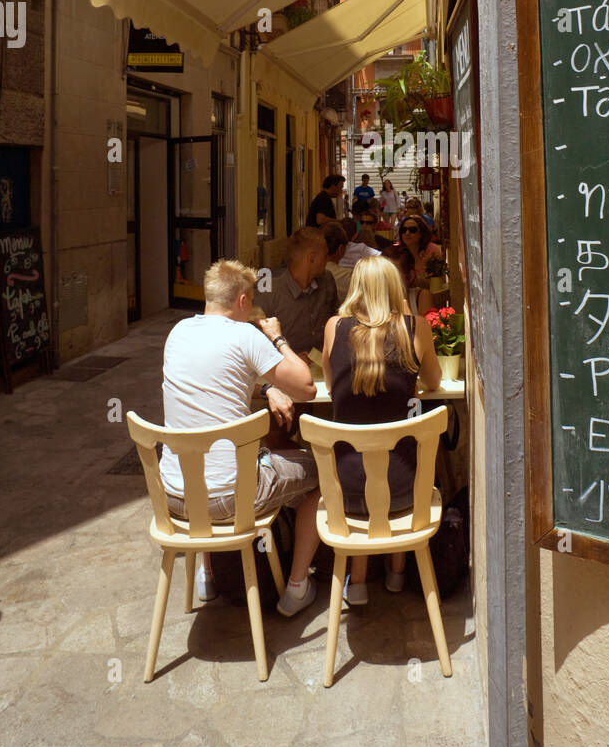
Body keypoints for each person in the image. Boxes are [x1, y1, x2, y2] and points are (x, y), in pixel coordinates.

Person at [160, 259, 321, 617]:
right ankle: (296, 587)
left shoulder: (177, 334)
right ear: (244, 301)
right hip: (232, 500)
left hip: (173, 497)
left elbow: (221, 373)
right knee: (324, 472)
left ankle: (208, 573)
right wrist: (275, 336)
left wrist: (265, 388)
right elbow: (307, 388)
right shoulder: (245, 334)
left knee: (204, 451)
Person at [321, 256, 441, 603]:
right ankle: (397, 572)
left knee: (365, 457)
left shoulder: (334, 326)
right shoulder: (416, 327)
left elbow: (331, 386)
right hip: (407, 494)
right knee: (396, 454)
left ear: (355, 288)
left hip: (345, 494)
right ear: (396, 288)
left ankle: (356, 581)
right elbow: (433, 381)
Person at [256, 227, 338, 354]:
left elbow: (334, 321)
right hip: (285, 367)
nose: (327, 260)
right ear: (311, 258)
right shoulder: (269, 291)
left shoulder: (327, 281)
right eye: (325, 255)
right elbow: (257, 343)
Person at [383, 243, 433, 317]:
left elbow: (427, 327)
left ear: (410, 276)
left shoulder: (420, 297)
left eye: (392, 275)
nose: (384, 279)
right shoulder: (376, 301)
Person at [395, 213, 442, 288]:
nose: (407, 233)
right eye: (404, 230)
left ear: (421, 234)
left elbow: (437, 283)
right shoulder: (396, 251)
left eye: (412, 230)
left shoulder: (431, 250)